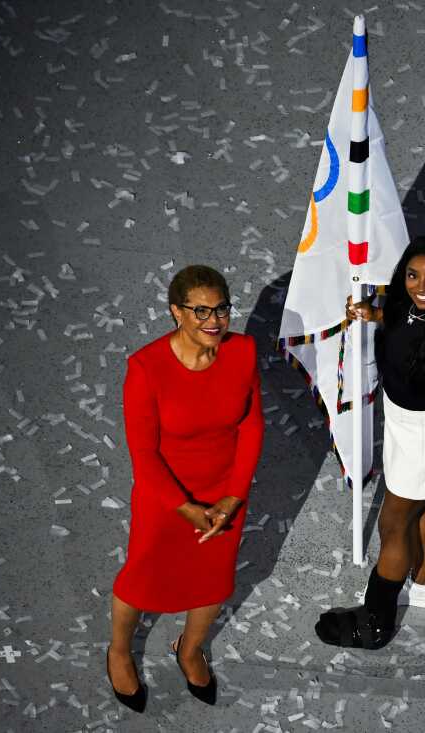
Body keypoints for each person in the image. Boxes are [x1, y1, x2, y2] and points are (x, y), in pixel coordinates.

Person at [106, 265, 264, 711]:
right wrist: (185, 506)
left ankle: (189, 649)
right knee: (141, 578)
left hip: (225, 493)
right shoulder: (146, 368)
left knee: (213, 580)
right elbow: (144, 455)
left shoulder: (243, 353)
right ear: (176, 312)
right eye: (200, 311)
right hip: (166, 496)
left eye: (221, 309)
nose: (214, 320)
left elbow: (251, 424)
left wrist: (234, 495)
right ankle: (119, 650)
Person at [315, 235, 425, 649]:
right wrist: (371, 313)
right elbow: (399, 323)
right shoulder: (405, 307)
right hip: (401, 422)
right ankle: (424, 585)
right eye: (413, 275)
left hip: (424, 435)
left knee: (392, 525)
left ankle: (376, 621)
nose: (421, 286)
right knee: (417, 509)